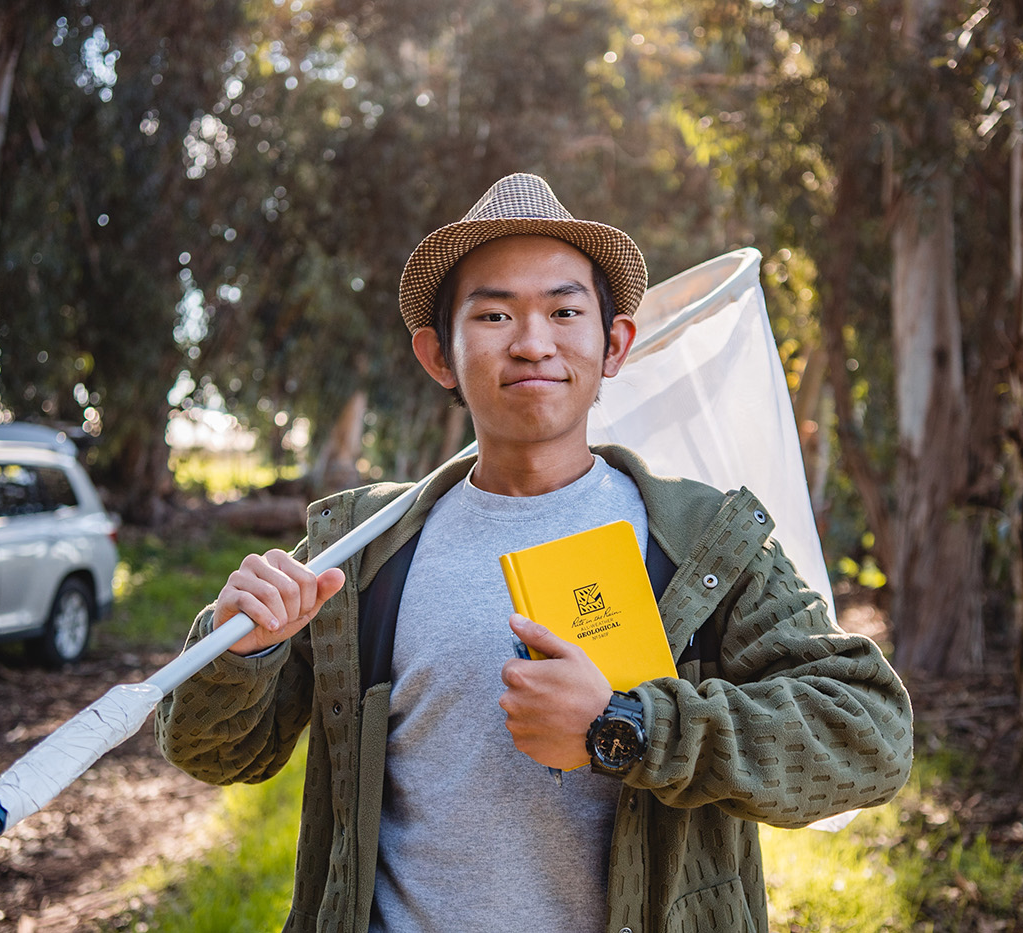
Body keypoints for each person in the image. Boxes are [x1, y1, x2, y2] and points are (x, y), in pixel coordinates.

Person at [156, 173, 914, 933]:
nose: (532, 342)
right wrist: (242, 653)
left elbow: (871, 733)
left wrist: (628, 727)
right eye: (492, 314)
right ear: (438, 355)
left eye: (563, 310)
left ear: (614, 344)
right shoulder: (361, 548)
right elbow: (215, 751)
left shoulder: (703, 541)